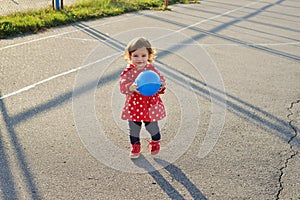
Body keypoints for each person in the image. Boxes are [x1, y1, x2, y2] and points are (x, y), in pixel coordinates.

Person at [119, 37, 166, 158]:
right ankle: (135, 147)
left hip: (149, 105)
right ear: (130, 56)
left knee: (152, 127)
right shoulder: (128, 71)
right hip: (134, 105)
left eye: (143, 55)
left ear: (149, 56)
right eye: (135, 55)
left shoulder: (151, 69)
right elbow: (123, 84)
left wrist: (161, 85)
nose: (139, 59)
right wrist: (130, 87)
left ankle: (155, 141)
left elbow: (159, 80)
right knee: (134, 128)